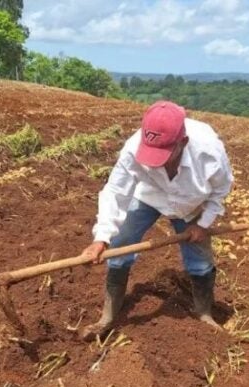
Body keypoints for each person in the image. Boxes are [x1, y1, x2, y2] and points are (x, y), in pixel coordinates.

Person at [79, 100, 234, 340]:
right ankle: (108, 315)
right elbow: (115, 191)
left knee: (200, 259)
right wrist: (101, 237)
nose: (153, 160)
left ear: (182, 143)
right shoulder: (133, 147)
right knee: (120, 245)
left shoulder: (209, 152)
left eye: (163, 153)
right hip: (149, 196)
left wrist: (203, 224)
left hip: (190, 202)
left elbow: (221, 190)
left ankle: (204, 312)